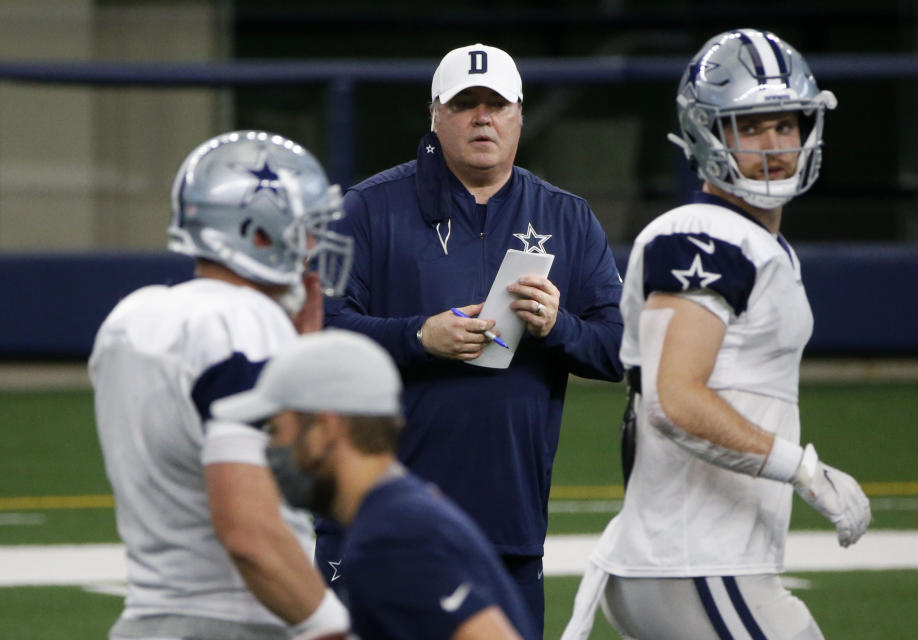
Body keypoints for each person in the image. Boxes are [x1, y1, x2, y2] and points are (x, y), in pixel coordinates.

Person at [562, 29, 872, 639]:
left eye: (786, 125)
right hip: (697, 561)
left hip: (702, 561)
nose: (774, 145)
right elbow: (674, 400)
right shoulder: (704, 235)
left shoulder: (755, 241)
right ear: (707, 133)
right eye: (751, 127)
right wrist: (804, 470)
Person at [319, 42, 625, 632]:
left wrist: (556, 326)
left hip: (508, 523)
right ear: (435, 113)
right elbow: (318, 330)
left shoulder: (567, 217)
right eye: (465, 103)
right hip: (373, 518)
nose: (482, 117)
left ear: (519, 116)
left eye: (496, 104)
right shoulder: (367, 208)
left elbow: (617, 351)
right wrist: (418, 337)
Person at [89, 130, 354, 640]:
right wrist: (330, 626)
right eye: (305, 228)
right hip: (241, 620)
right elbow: (250, 529)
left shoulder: (132, 318)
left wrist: (294, 357)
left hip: (148, 617)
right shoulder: (242, 323)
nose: (315, 245)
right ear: (258, 233)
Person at [211, 329, 539, 639]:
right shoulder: (398, 517)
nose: (270, 449)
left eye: (275, 429)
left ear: (324, 430)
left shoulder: (391, 539)